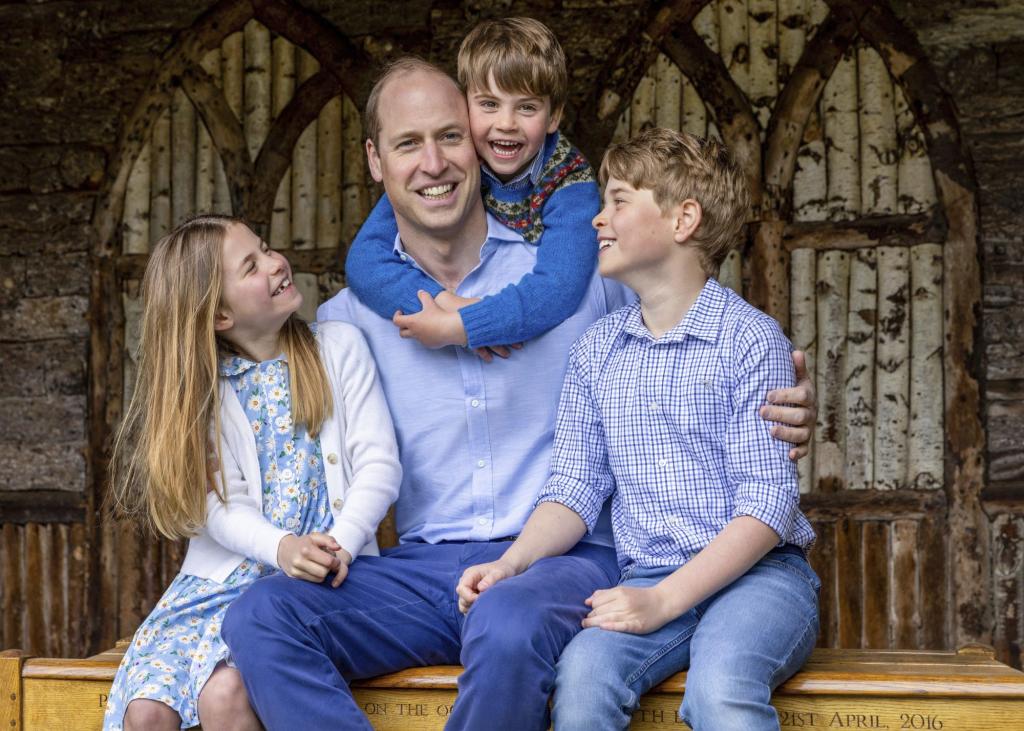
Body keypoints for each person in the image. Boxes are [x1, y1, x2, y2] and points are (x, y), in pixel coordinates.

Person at [222, 61, 817, 731]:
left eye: (450, 136)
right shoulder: (344, 322)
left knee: (507, 621)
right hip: (425, 571)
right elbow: (251, 391)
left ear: (478, 145)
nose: (434, 162)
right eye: (407, 143)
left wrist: (789, 399)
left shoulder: (578, 277)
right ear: (374, 160)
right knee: (261, 614)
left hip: (566, 561)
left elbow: (690, 334)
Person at [456, 128, 820, 731]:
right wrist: (511, 564)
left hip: (761, 580)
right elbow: (573, 488)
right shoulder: (596, 351)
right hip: (648, 574)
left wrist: (664, 601)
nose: (598, 219)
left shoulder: (749, 340)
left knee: (720, 688)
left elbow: (768, 503)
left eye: (619, 201)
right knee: (582, 682)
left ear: (683, 220)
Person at [102, 215, 401, 731]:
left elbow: (379, 465)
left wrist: (341, 544)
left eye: (265, 249)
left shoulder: (339, 348)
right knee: (146, 712)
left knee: (225, 696)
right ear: (219, 314)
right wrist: (281, 547)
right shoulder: (205, 393)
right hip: (217, 587)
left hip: (322, 578)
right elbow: (219, 508)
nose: (276, 262)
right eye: (252, 265)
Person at [344, 17, 598, 355]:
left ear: (553, 118)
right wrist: (442, 303)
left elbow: (560, 287)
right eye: (489, 104)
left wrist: (468, 325)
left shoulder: (571, 183)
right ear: (465, 106)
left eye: (526, 107)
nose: (505, 124)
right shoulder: (461, 161)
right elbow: (363, 261)